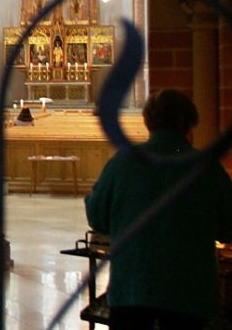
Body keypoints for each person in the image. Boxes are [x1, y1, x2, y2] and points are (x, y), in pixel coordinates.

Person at [85, 89, 232, 329]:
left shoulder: (122, 162)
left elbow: (97, 217)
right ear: (189, 123)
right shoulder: (207, 168)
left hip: (132, 290)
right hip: (190, 294)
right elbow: (228, 229)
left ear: (148, 120)